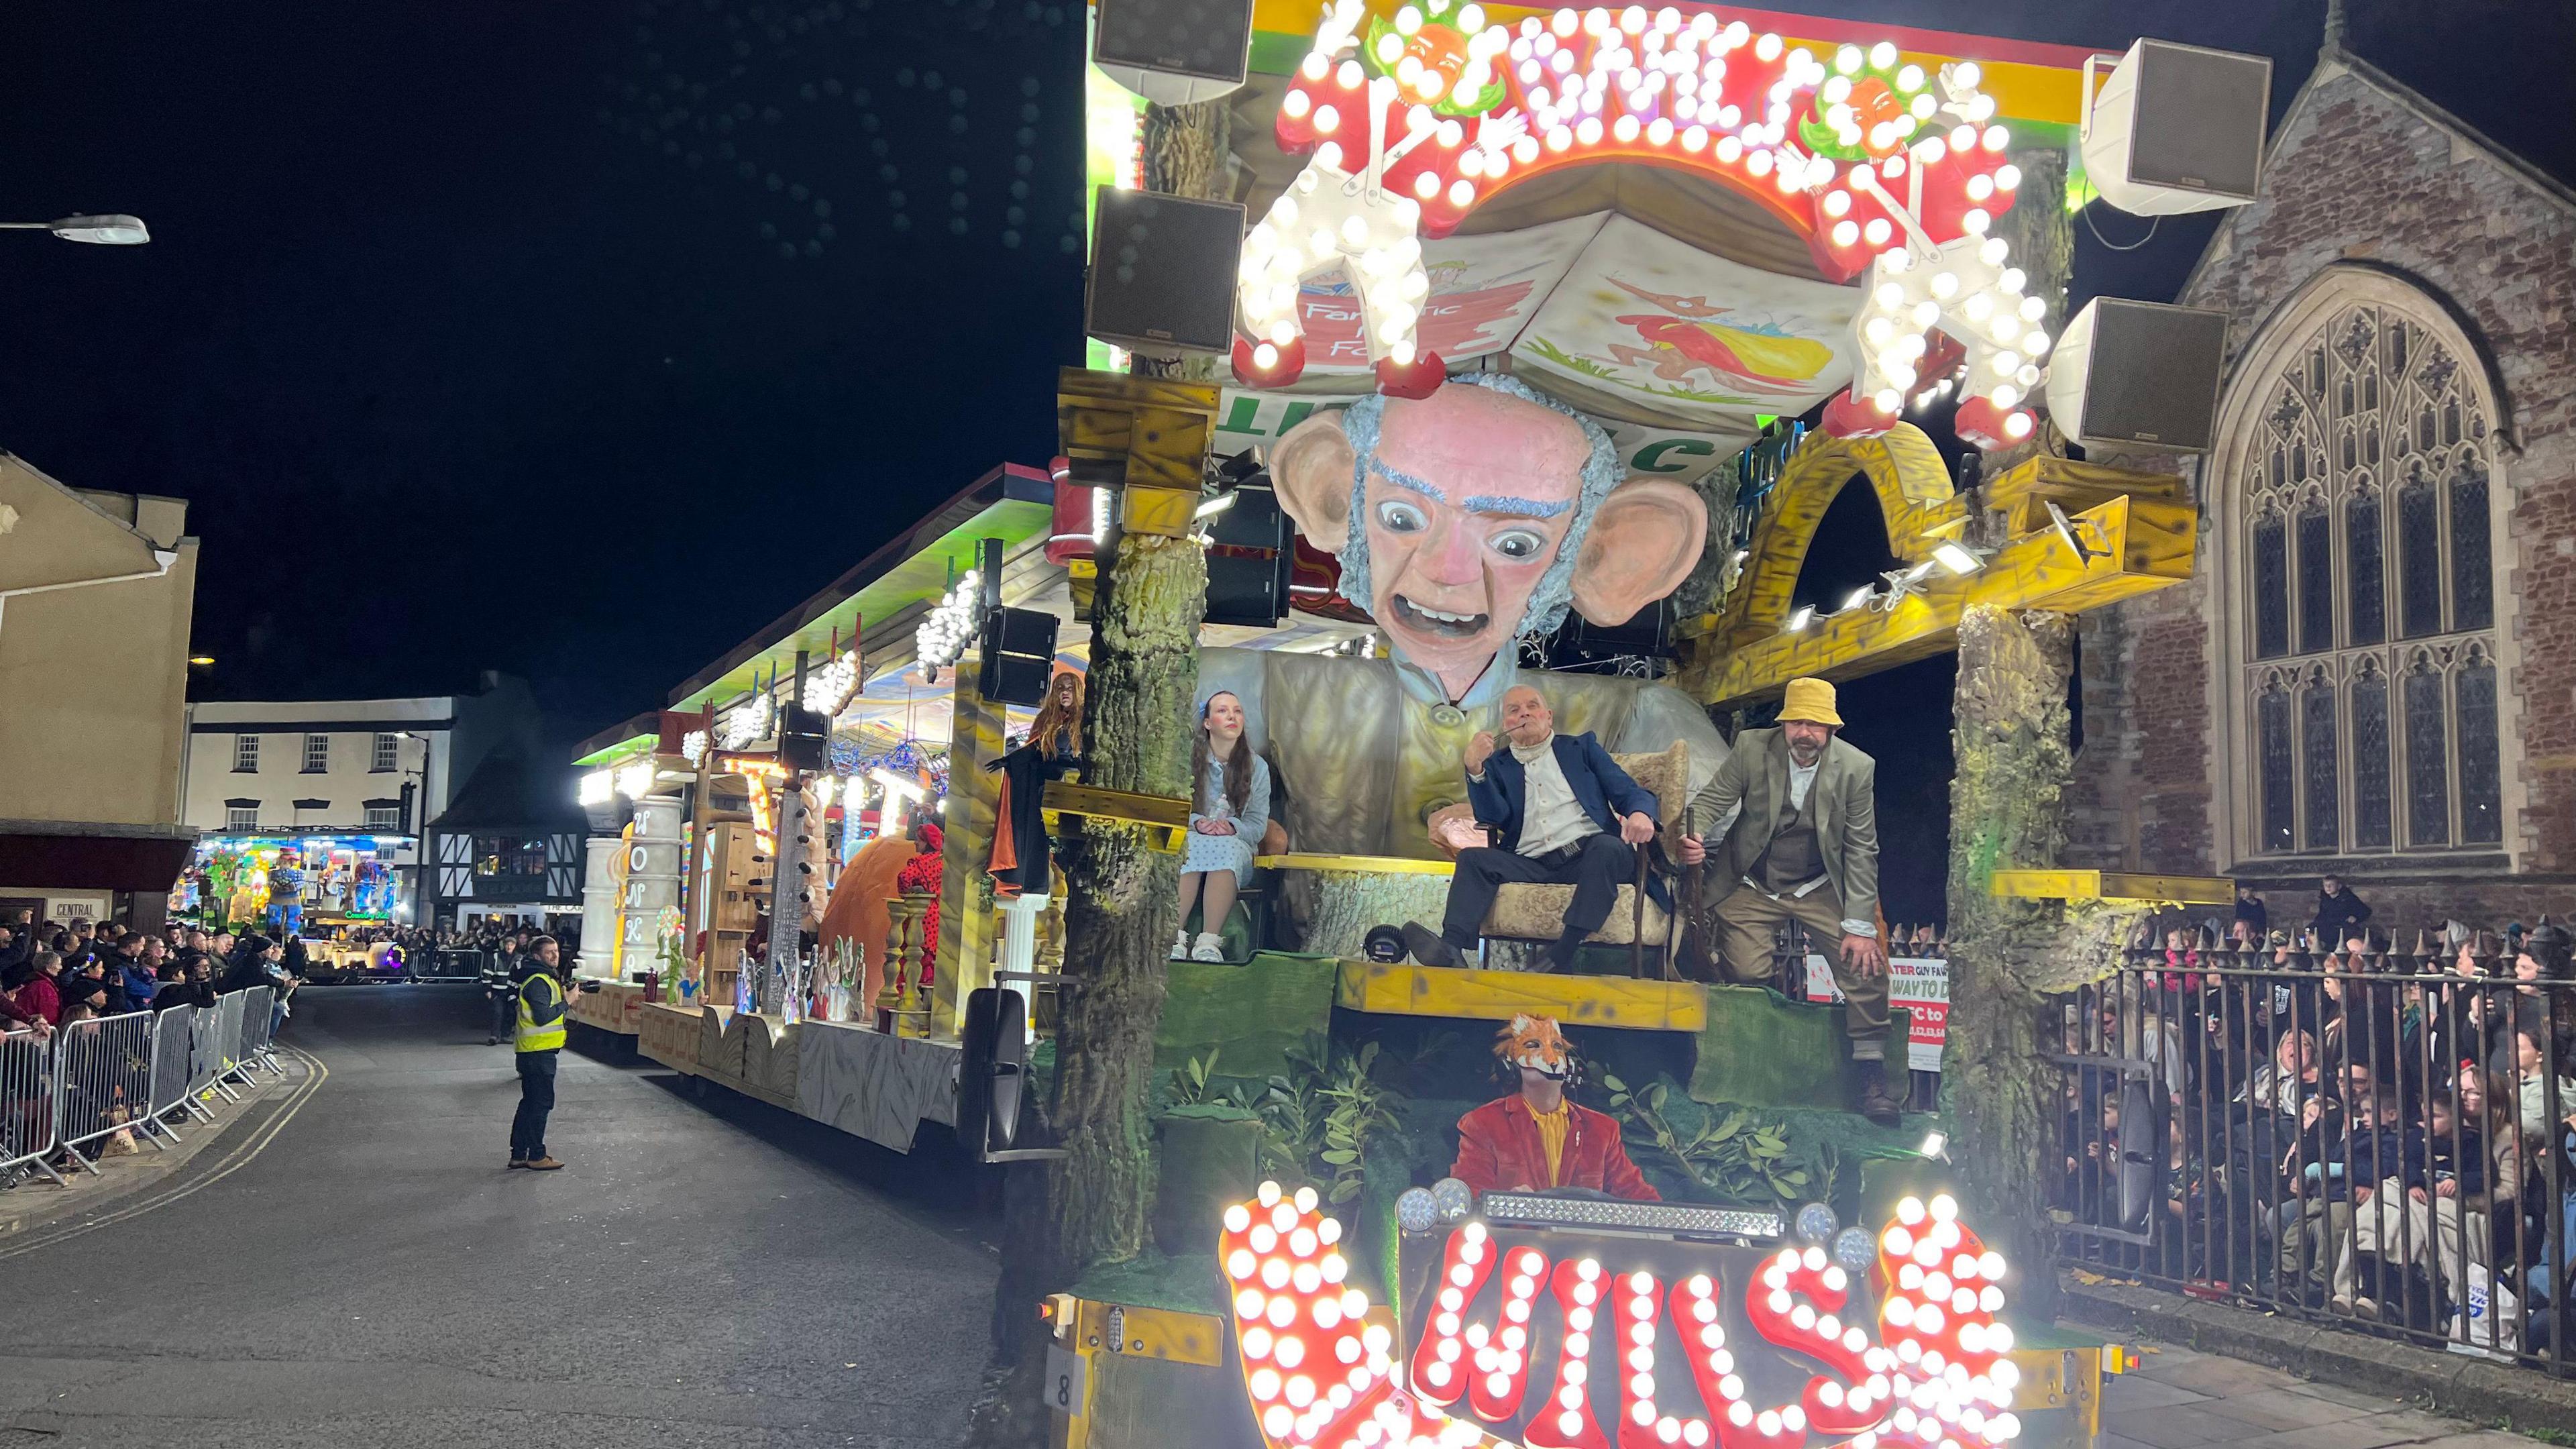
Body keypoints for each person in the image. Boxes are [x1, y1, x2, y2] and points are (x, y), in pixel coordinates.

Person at [1682, 676, 1898, 1126]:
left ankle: (1871, 1070)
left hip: (1821, 885)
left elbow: (1861, 848)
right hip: (1753, 882)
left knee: (1866, 967)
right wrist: (1692, 833)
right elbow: (1711, 801)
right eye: (1798, 721)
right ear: (1784, 724)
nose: (1806, 733)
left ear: (1832, 730)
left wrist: (1859, 926)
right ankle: (1756, 1060)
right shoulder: (1750, 749)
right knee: (1744, 972)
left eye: (1816, 725)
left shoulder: (1858, 768)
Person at [1399, 684, 1663, 974]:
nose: (1524, 712)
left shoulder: (1581, 749)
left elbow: (1628, 791)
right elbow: (1493, 816)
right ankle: (1450, 947)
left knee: (1607, 846)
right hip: (1532, 862)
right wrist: (1475, 769)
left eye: (1532, 706)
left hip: (1591, 855)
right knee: (1473, 859)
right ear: (1505, 726)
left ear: (1548, 716)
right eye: (1514, 710)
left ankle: (1563, 950)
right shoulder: (1497, 765)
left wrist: (1640, 814)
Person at [1451, 1014, 1656, 1200]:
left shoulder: (1603, 1129)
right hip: (1514, 1240)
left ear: (1571, 1067)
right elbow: (1472, 1192)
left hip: (1583, 1241)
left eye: (1557, 1046)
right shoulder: (1483, 1123)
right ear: (1509, 1065)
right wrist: (1507, 1201)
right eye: (1533, 1045)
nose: (1551, 1057)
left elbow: (1638, 1195)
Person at [1173, 691, 1272, 963]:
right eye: (1223, 711)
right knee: (1191, 845)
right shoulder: (1186, 762)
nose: (1232, 717)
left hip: (1234, 847)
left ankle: (1208, 941)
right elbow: (1172, 808)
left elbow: (1257, 825)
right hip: (1193, 838)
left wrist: (1231, 827)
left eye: (1237, 711)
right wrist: (1196, 822)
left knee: (1226, 848)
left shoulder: (1258, 768)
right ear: (1207, 723)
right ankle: (1175, 937)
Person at [508, 934, 591, 1171]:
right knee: (541, 1104)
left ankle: (519, 1154)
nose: (555, 955)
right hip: (538, 1053)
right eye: (549, 953)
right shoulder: (538, 981)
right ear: (537, 956)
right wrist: (569, 1002)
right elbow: (543, 1017)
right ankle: (536, 1155)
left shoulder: (543, 978)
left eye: (556, 951)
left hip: (535, 1052)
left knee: (529, 1104)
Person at [2310, 875, 2371, 941]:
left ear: (2339, 886)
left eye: (2332, 885)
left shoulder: (2349, 898)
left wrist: (2356, 917)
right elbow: (2322, 915)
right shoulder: (2325, 900)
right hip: (2329, 929)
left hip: (2345, 929)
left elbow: (2366, 911)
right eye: (2326, 885)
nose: (2328, 887)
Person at [481, 946, 518, 1045]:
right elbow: (487, 973)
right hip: (497, 991)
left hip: (511, 991)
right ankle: (494, 1036)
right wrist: (487, 989)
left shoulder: (518, 957)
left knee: (510, 1013)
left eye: (512, 944)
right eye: (508, 944)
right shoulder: (496, 957)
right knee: (497, 1013)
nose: (510, 947)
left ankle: (505, 1036)